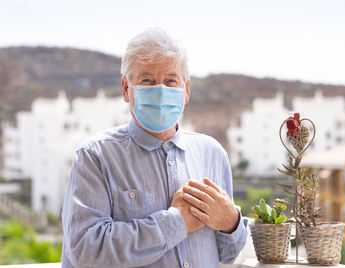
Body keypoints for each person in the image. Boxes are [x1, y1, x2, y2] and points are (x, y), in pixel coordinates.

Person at [61, 28, 247, 268]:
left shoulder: (212, 154)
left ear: (186, 90)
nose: (160, 91)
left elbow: (228, 254)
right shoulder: (96, 156)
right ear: (127, 89)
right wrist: (177, 222)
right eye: (147, 80)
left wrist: (231, 222)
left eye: (171, 80)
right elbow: (86, 250)